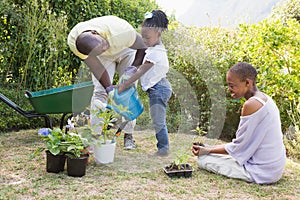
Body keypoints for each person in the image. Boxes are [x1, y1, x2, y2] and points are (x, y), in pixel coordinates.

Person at [192, 62, 286, 184]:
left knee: (203, 160)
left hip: (262, 172)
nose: (229, 89)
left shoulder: (251, 105)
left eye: (232, 85)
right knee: (212, 155)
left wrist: (207, 150)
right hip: (275, 168)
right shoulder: (265, 98)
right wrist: (208, 148)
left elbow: (237, 147)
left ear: (247, 83)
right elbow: (242, 147)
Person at [68, 16, 147, 150]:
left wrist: (132, 70)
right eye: (102, 48)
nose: (105, 48)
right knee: (100, 92)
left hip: (126, 49)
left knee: (128, 91)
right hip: (101, 57)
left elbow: (143, 46)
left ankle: (128, 135)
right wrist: (109, 88)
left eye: (104, 45)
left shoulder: (120, 30)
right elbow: (96, 67)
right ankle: (95, 136)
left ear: (95, 33)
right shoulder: (75, 43)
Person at [117, 10, 172, 157]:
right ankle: (162, 147)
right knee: (157, 120)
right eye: (143, 37)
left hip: (160, 89)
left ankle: (163, 149)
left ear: (159, 32)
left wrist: (125, 84)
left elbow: (141, 71)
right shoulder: (153, 47)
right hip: (158, 88)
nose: (145, 41)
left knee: (159, 121)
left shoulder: (156, 52)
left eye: (147, 37)